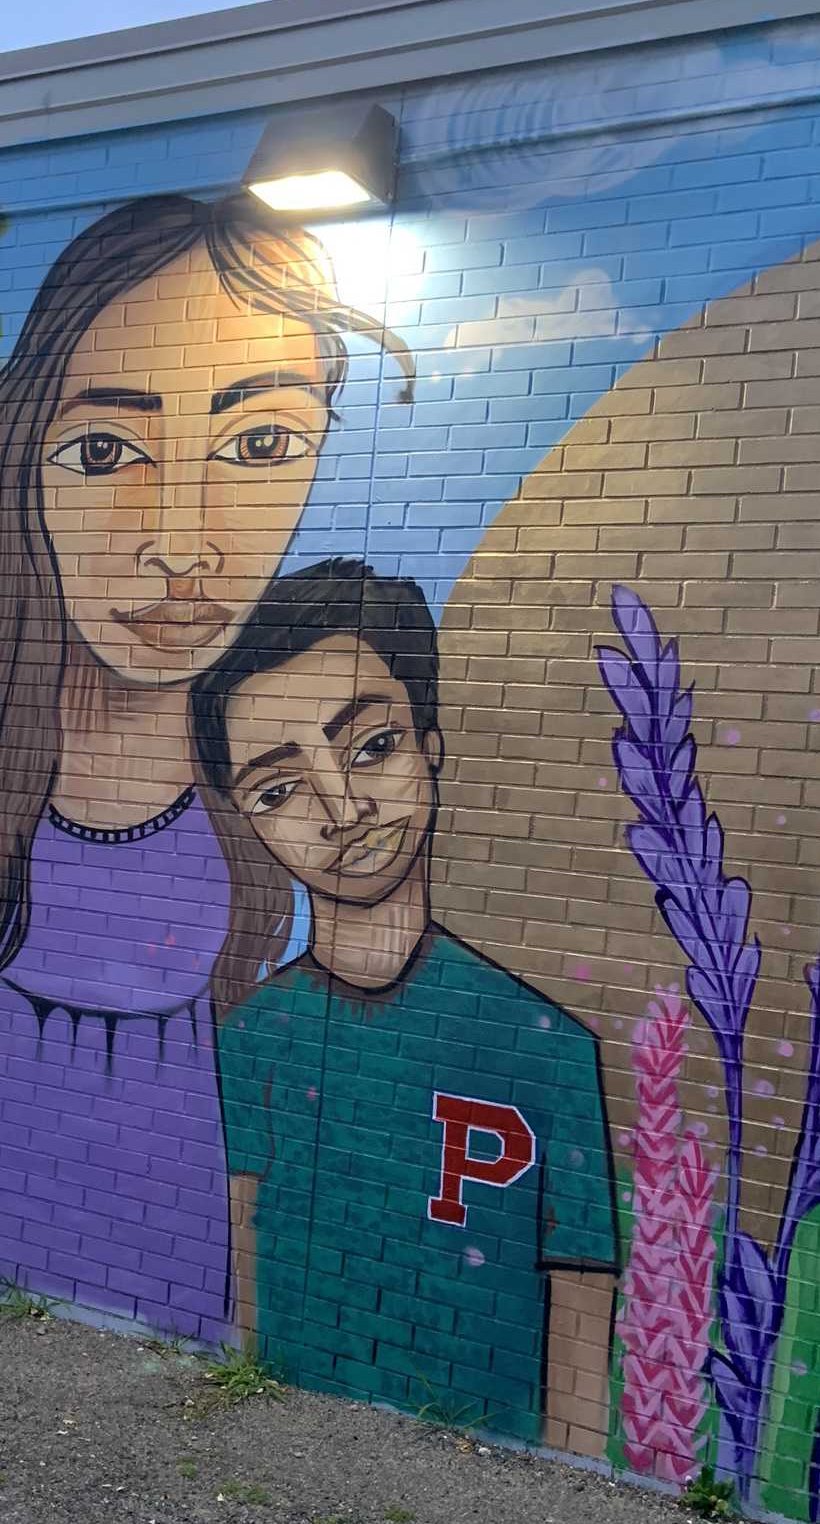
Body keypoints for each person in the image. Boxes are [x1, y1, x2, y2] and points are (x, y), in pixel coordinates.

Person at [0, 194, 409, 1340]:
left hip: (202, 1310)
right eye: (102, 450)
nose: (181, 542)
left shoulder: (262, 800)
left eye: (263, 443)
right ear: (21, 467)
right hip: (15, 1302)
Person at [190, 559, 620, 1449]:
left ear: (432, 747)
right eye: (278, 790)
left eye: (371, 747)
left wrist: (576, 1470)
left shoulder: (548, 1047)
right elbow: (244, 1276)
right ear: (248, 823)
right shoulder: (257, 1038)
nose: (342, 808)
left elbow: (581, 1315)